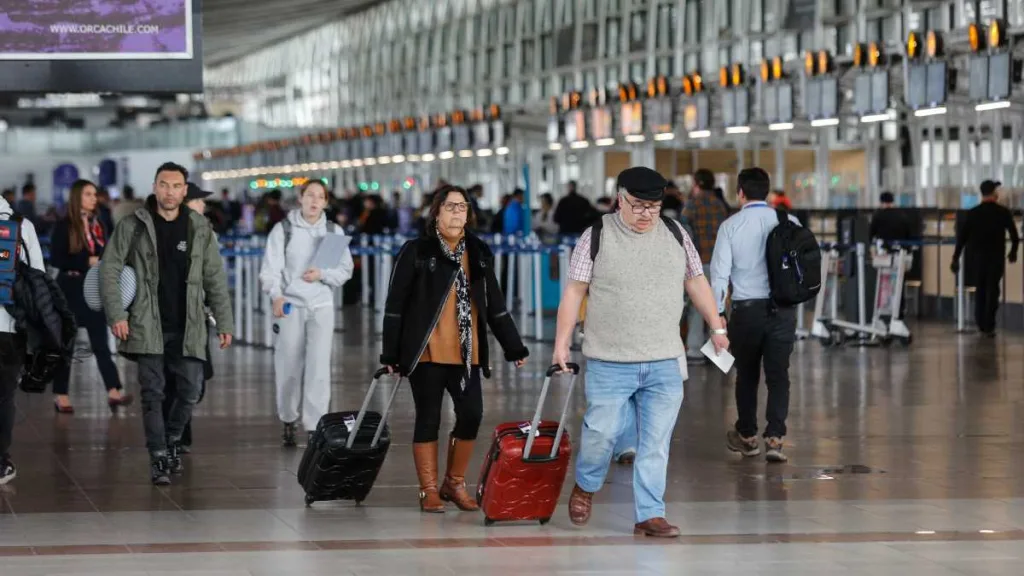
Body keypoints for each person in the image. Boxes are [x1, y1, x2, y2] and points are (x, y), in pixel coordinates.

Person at [552, 166, 727, 538]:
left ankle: (650, 513)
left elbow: (696, 280)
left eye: (654, 206)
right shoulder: (596, 235)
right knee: (601, 432)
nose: (647, 214)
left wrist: (717, 326)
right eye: (638, 206)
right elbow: (574, 292)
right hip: (609, 360)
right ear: (620, 200)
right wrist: (561, 344)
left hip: (664, 359)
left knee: (655, 442)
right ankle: (586, 484)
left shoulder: (676, 233)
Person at [381, 184, 529, 513]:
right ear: (436, 212)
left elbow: (495, 305)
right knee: (429, 418)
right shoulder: (417, 250)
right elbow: (395, 305)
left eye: (462, 207)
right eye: (450, 207)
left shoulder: (477, 251)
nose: (456, 213)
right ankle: (429, 489)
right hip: (427, 352)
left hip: (467, 353)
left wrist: (514, 347)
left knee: (472, 414)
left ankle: (454, 482)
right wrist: (390, 354)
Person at [99, 162, 234, 486]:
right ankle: (159, 455)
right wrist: (117, 314)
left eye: (176, 186)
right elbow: (109, 268)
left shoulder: (199, 226)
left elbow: (214, 277)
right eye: (163, 185)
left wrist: (224, 321)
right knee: (152, 394)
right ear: (155, 186)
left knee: (190, 391)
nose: (169, 192)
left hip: (189, 325)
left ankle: (172, 439)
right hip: (146, 324)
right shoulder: (133, 225)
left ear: (185, 190)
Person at [710, 167, 800, 463]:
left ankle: (747, 437)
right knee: (778, 375)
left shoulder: (731, 226)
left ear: (740, 193)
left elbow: (719, 276)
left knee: (746, 374)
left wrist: (718, 315)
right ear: (768, 191)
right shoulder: (790, 221)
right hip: (783, 311)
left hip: (747, 312)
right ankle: (775, 438)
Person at [260, 179, 354, 447]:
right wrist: (276, 295)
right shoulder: (284, 229)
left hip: (321, 305)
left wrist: (322, 274)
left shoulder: (333, 231)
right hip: (290, 305)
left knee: (319, 366)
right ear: (300, 198)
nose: (314, 201)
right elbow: (271, 268)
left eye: (320, 197)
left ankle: (315, 426)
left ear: (325, 202)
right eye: (309, 195)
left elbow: (344, 270)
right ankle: (288, 418)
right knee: (288, 364)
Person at [49, 179, 131, 414]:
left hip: (93, 287)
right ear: (77, 198)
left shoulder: (100, 223)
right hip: (69, 289)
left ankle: (114, 390)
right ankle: (61, 394)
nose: (93, 198)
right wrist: (86, 261)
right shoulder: (64, 226)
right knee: (67, 345)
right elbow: (57, 259)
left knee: (100, 342)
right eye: (88, 194)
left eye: (94, 194)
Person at [162, 183, 216, 453]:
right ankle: (175, 437)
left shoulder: (205, 231)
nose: (203, 206)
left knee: (195, 381)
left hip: (197, 317)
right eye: (198, 201)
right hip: (172, 318)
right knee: (177, 381)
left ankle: (178, 433)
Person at [0, 195, 45, 485]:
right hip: (9, 326)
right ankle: (0, 461)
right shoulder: (20, 225)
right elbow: (37, 278)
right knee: (3, 396)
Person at [951, 180, 1020, 337]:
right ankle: (989, 325)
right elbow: (1014, 236)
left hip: (977, 259)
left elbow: (961, 238)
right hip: (996, 258)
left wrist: (955, 258)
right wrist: (1013, 252)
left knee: (980, 289)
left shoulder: (973, 213)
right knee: (993, 290)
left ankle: (980, 323)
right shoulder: (1003, 212)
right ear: (994, 193)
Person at [682, 169, 729, 365]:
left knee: (695, 306)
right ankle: (716, 348)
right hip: (719, 264)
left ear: (697, 184)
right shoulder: (720, 205)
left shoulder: (692, 205)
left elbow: (684, 235)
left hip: (699, 263)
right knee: (716, 307)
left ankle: (694, 349)